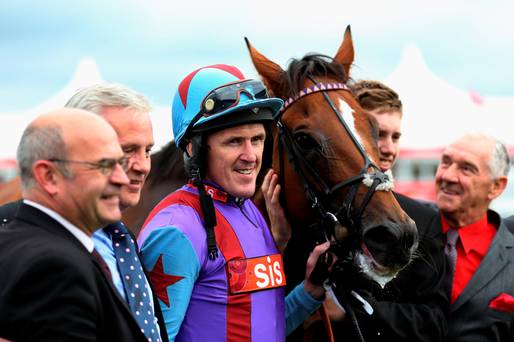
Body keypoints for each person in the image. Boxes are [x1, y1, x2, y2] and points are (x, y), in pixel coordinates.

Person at [137, 64, 330, 341]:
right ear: (195, 148)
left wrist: (310, 291)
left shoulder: (249, 209)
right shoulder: (176, 229)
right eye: (234, 141)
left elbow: (262, 328)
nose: (250, 155)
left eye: (257, 139)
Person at [0, 84, 168, 341]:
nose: (140, 168)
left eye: (148, 151)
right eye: (105, 163)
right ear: (48, 175)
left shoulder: (120, 239)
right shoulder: (51, 264)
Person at [324, 80, 449, 341]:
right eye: (378, 134)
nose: (389, 148)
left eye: (396, 136)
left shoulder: (424, 220)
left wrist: (351, 312)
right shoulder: (317, 217)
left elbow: (433, 322)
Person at [434, 132, 514, 341]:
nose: (448, 176)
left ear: (496, 187)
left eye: (466, 169)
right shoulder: (404, 233)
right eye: (445, 162)